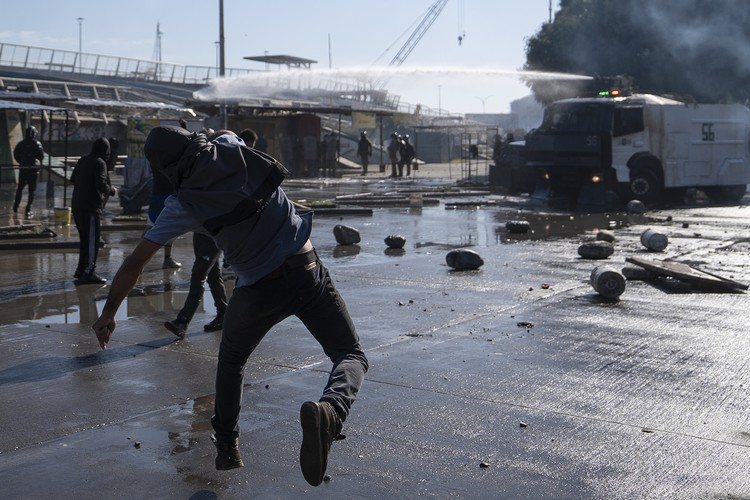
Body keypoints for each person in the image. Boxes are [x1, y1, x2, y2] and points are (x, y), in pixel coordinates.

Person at [92, 126, 368, 487]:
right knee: (349, 354)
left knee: (232, 361)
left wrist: (109, 312)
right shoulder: (229, 146)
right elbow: (226, 132)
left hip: (257, 290)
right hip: (306, 270)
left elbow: (135, 262)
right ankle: (331, 409)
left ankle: (227, 447)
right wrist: (210, 134)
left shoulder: (181, 205)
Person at [71, 137, 117, 285]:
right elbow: (101, 183)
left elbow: (72, 179)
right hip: (90, 207)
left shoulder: (83, 160)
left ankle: (81, 270)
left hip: (77, 205)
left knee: (85, 240)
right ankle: (89, 272)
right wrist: (111, 190)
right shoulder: (100, 162)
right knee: (92, 241)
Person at [12, 125, 45, 218]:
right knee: (31, 191)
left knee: (20, 189)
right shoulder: (37, 143)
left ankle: (16, 206)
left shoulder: (21, 143)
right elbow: (41, 156)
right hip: (32, 170)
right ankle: (28, 209)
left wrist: (21, 161)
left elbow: (16, 154)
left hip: (23, 169)